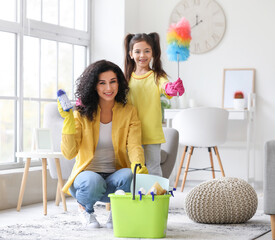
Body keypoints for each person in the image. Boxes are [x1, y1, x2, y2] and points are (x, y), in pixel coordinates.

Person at [58, 60, 148, 229]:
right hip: (88, 180)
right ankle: (86, 209)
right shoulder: (82, 113)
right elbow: (69, 153)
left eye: (113, 81)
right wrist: (69, 120)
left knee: (129, 174)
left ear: (119, 83)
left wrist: (139, 165)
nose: (109, 88)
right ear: (94, 86)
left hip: (115, 178)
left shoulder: (129, 111)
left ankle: (118, 211)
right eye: (102, 83)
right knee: (93, 181)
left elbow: (134, 145)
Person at [124, 32, 184, 177]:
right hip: (130, 133)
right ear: (131, 54)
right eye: (137, 51)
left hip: (152, 133)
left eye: (147, 51)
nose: (142, 55)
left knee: (153, 168)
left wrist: (171, 88)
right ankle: (135, 198)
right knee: (132, 169)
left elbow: (165, 86)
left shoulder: (157, 76)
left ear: (153, 53)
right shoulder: (125, 78)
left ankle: (157, 198)